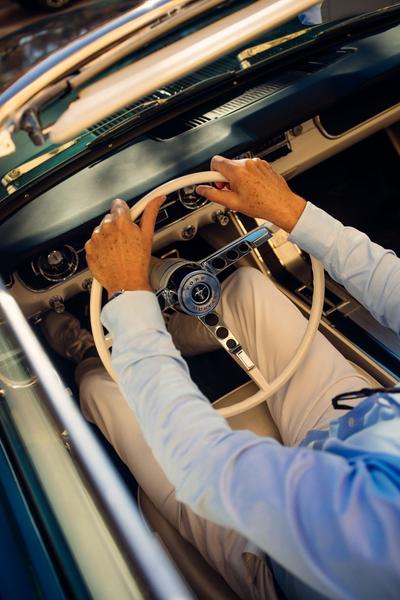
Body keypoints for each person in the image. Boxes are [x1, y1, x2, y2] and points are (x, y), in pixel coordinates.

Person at [43, 156, 400, 600]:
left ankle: (90, 351)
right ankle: (163, 322)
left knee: (99, 387)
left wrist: (127, 294)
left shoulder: (377, 541)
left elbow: (207, 468)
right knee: (246, 288)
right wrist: (291, 212)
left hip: (280, 554)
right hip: (369, 426)